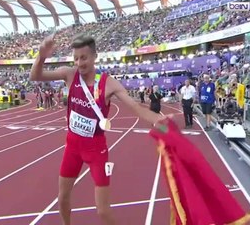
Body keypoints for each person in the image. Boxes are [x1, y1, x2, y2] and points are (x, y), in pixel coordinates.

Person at [30, 33, 165, 225]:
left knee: (102, 211)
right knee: (62, 199)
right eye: (76, 58)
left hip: (96, 150)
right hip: (72, 147)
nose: (79, 63)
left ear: (94, 56)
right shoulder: (69, 75)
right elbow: (35, 76)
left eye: (83, 58)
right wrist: (42, 55)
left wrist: (158, 119)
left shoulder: (108, 83)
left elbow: (134, 107)